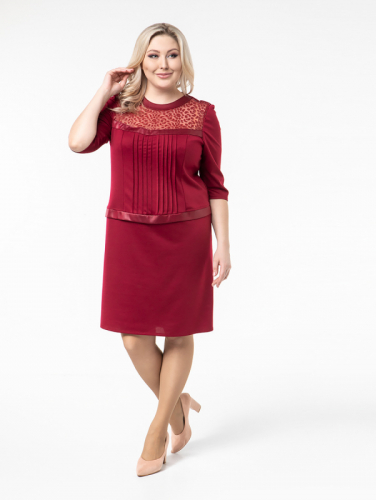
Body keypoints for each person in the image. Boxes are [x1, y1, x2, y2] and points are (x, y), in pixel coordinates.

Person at [68, 22, 231, 477]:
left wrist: (223, 244)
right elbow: (77, 142)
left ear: (183, 60)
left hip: (186, 236)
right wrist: (104, 90)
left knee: (179, 332)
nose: (163, 64)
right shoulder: (120, 110)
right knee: (133, 336)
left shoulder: (202, 114)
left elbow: (215, 185)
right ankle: (178, 408)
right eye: (154, 55)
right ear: (140, 60)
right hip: (129, 235)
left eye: (172, 55)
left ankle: (158, 431)